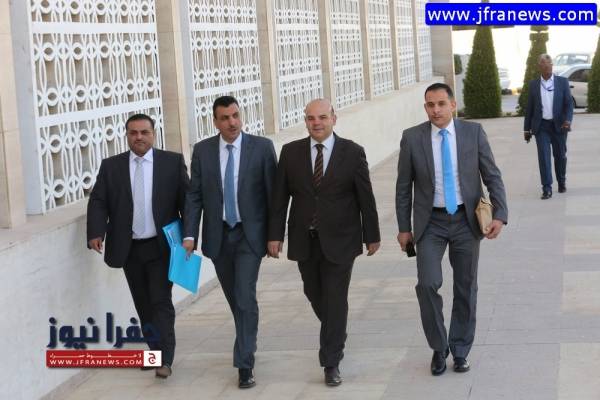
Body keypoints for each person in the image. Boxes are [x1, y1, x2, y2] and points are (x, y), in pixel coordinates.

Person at [395, 83, 508, 376]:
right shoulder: (412, 138)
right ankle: (438, 347)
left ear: (453, 105)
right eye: (430, 105)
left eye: (441, 104)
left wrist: (500, 214)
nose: (436, 110)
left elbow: (492, 175)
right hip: (430, 223)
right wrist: (404, 228)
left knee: (465, 287)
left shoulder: (473, 133)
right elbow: (403, 187)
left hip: (466, 221)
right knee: (427, 283)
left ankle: (460, 350)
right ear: (425, 107)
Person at [268, 98, 381, 386]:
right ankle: (336, 329)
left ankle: (331, 361)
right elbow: (280, 199)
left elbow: (365, 197)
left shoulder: (352, 152)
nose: (316, 123)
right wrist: (274, 235)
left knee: (334, 297)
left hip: (341, 239)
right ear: (305, 121)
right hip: (304, 239)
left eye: (321, 117)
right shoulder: (290, 152)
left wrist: (372, 235)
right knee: (314, 292)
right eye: (310, 118)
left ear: (334, 118)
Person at [182, 95, 277, 389]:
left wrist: (275, 235)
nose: (232, 122)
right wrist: (189, 235)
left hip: (250, 235)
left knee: (244, 295)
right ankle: (248, 338)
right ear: (215, 122)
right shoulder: (203, 151)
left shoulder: (262, 148)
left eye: (235, 115)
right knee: (236, 300)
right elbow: (195, 195)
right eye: (224, 118)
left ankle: (244, 364)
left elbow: (274, 195)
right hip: (219, 236)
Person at [87, 113, 189, 379]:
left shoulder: (171, 162)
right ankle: (154, 353)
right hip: (129, 247)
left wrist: (189, 237)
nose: (139, 137)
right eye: (133, 133)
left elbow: (187, 201)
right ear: (127, 136)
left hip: (162, 246)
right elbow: (98, 201)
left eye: (144, 132)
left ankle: (165, 359)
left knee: (160, 300)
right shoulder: (112, 167)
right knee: (143, 304)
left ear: (153, 134)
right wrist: (96, 231)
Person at [524, 53, 574, 199]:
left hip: (559, 126)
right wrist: (526, 129)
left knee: (560, 156)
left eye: (549, 64)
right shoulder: (534, 85)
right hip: (541, 127)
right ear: (539, 67)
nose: (547, 67)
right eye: (544, 65)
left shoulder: (562, 82)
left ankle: (561, 181)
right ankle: (547, 188)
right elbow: (530, 108)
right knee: (544, 157)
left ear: (552, 65)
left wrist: (568, 120)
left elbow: (569, 104)